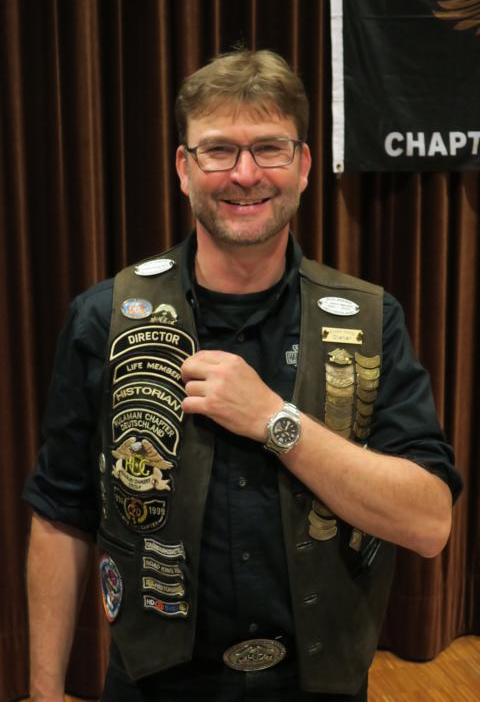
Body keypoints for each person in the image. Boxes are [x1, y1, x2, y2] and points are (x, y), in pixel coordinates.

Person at [24, 48, 462, 702]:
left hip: (317, 686)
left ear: (304, 166)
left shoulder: (373, 320)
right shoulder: (103, 318)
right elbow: (61, 515)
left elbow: (428, 524)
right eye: (219, 150)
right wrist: (43, 691)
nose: (246, 173)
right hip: (153, 687)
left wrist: (275, 421)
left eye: (269, 148)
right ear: (184, 168)